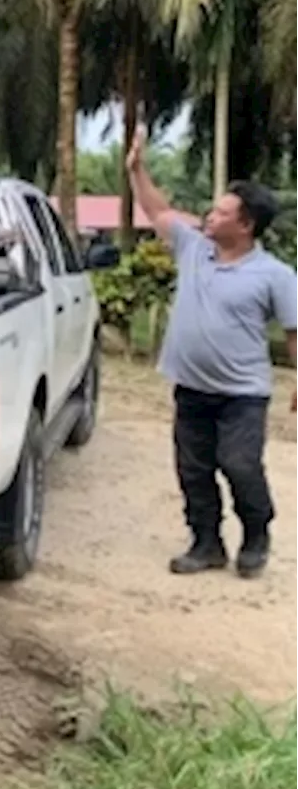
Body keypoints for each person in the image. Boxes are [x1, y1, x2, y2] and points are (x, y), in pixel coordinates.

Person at [127, 125, 298, 579]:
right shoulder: (193, 248)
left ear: (245, 225)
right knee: (193, 470)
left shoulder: (274, 275)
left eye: (221, 212)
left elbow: (295, 331)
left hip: (243, 393)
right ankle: (206, 544)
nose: (209, 215)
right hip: (192, 389)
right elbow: (157, 209)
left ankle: (257, 534)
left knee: (240, 464)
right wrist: (137, 169)